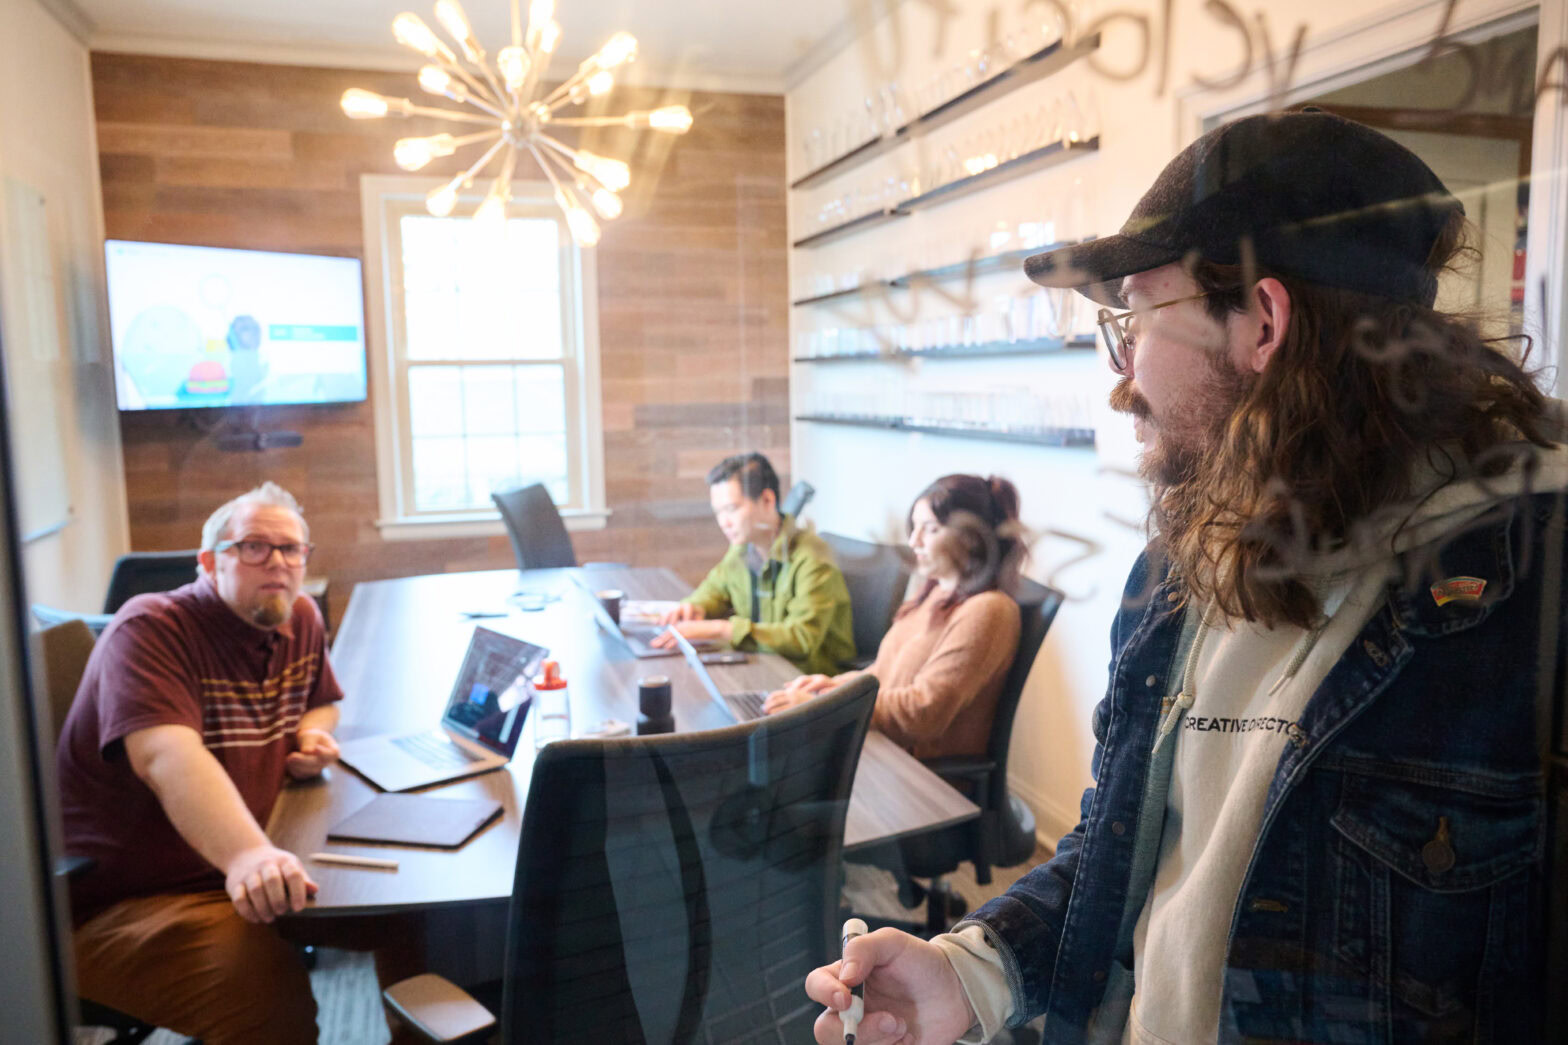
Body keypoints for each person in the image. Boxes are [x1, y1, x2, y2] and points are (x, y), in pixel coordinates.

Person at [805, 110, 1565, 1043]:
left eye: (1134, 318)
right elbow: (1126, 843)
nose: (1121, 378)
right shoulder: (1181, 563)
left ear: (1265, 322)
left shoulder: (1532, 598)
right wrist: (975, 969)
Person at [58, 482, 345, 1043]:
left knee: (409, 922)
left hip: (238, 864)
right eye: (255, 547)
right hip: (127, 900)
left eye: (292, 550)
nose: (279, 563)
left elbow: (321, 701)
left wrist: (310, 738)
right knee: (263, 997)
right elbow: (168, 755)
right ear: (211, 562)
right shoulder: (151, 628)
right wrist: (248, 854)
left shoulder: (300, 617)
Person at [763, 474, 1023, 762]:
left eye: (931, 529)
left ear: (973, 539)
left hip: (915, 776)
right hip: (879, 748)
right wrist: (832, 686)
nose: (915, 541)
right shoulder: (935, 594)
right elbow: (883, 673)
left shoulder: (989, 610)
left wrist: (823, 705)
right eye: (915, 528)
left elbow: (923, 712)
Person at [654, 452, 855, 674]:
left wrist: (723, 630)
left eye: (731, 509)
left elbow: (802, 639)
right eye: (718, 513)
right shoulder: (743, 547)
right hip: (761, 668)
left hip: (809, 684)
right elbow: (715, 589)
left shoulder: (813, 557)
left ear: (768, 500)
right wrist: (694, 606)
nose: (724, 523)